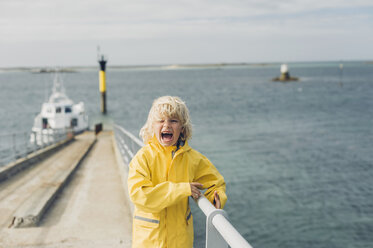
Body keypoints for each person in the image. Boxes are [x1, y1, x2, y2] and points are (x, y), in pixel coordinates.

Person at [127, 96, 227, 248]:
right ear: (152, 126)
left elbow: (216, 182)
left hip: (181, 241)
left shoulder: (192, 158)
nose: (166, 125)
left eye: (173, 121)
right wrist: (183, 188)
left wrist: (215, 200)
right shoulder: (143, 158)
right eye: (161, 120)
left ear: (182, 127)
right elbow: (139, 195)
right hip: (149, 241)